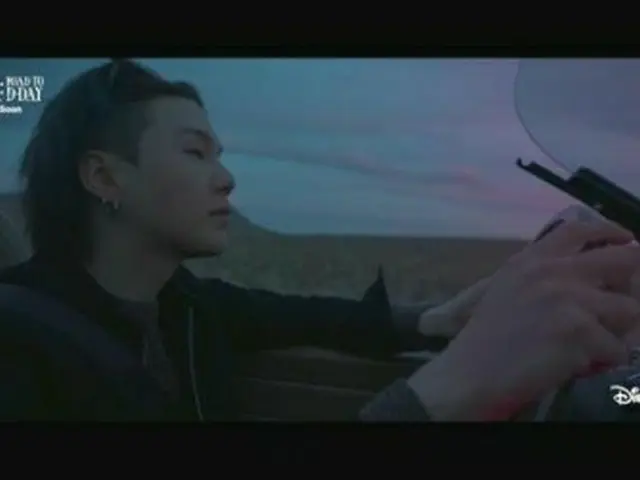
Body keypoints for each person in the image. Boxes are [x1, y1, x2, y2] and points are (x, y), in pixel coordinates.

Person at [1, 59, 639, 421]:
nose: (226, 178)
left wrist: (438, 319)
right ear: (104, 177)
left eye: (219, 154)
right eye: (195, 153)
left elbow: (307, 316)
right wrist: (438, 394)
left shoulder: (186, 307)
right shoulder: (20, 347)